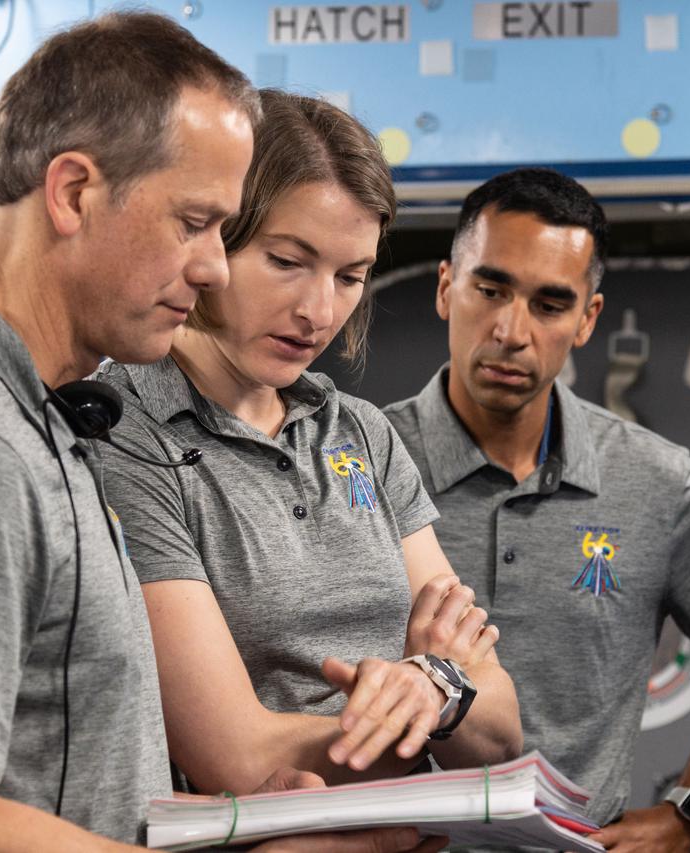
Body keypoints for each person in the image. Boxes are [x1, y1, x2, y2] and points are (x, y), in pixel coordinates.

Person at [0, 13, 442, 852]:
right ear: (73, 193)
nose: (213, 267)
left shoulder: (41, 418)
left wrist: (240, 821)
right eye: (195, 222)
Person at [95, 90, 522, 797]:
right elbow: (234, 756)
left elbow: (503, 729)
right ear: (213, 236)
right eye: (288, 261)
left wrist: (437, 687)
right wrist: (438, 696)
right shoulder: (128, 435)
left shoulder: (361, 432)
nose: (318, 312)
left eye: (351, 276)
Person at [383, 168, 690, 851]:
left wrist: (687, 812)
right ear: (444, 288)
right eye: (489, 289)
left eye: (550, 304)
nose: (511, 330)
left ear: (586, 320)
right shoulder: (358, 463)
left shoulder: (660, 483)